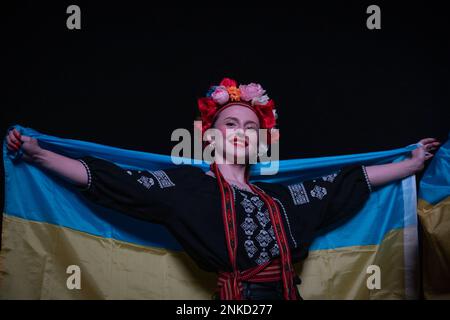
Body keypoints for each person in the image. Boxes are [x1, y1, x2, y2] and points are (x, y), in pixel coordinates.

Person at [5, 77, 440, 300]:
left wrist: (410, 164)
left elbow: (351, 183)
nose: (240, 132)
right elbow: (109, 180)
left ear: (261, 140)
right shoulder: (185, 189)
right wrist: (40, 154)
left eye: (251, 127)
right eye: (230, 123)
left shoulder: (284, 197)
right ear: (208, 136)